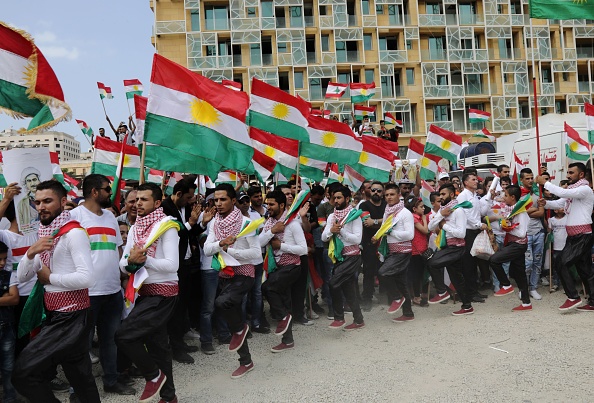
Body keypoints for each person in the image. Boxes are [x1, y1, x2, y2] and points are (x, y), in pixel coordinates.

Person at [14, 180, 100, 402]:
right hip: (54, 314)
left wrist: (50, 278)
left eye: (47, 201)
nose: (41, 206)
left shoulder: (73, 233)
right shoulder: (44, 233)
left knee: (24, 372)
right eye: (38, 202)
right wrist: (30, 253)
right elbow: (23, 276)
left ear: (62, 202)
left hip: (71, 316)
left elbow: (87, 278)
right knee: (80, 377)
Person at [70, 174, 135, 396]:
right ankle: (79, 389)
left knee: (110, 341)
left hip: (112, 291)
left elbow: (118, 249)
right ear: (94, 192)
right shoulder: (74, 217)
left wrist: (121, 275)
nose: (110, 192)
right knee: (81, 345)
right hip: (87, 292)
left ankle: (111, 381)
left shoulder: (110, 218)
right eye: (107, 189)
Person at [115, 183, 180, 403]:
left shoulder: (167, 226)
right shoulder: (135, 227)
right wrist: (132, 262)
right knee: (158, 346)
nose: (138, 204)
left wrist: (145, 260)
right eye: (135, 200)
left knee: (124, 335)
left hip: (163, 293)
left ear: (158, 203)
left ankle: (153, 376)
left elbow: (172, 265)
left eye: (144, 199)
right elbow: (124, 264)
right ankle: (169, 396)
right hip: (143, 292)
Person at [204, 184, 261, 379]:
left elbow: (255, 253)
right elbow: (206, 249)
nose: (218, 203)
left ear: (233, 200)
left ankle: (240, 328)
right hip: (225, 275)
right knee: (232, 313)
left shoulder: (246, 223)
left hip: (244, 274)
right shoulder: (215, 224)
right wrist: (220, 243)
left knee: (221, 303)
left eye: (223, 199)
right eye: (216, 200)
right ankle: (246, 361)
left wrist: (230, 250)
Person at [536, 163, 594, 311]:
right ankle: (593, 301)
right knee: (585, 270)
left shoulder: (584, 189)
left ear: (581, 175)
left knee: (561, 262)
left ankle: (573, 297)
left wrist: (546, 183)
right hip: (574, 236)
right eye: (567, 172)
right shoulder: (572, 190)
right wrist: (546, 203)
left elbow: (562, 194)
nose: (567, 175)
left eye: (571, 173)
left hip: (582, 235)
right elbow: (559, 202)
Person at [160, 177, 203, 364]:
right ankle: (175, 348)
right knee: (175, 309)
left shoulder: (183, 209)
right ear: (178, 194)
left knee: (183, 306)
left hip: (185, 264)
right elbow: (174, 234)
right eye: (188, 197)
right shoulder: (164, 209)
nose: (190, 201)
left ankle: (181, 342)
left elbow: (189, 233)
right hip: (171, 267)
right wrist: (191, 223)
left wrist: (200, 224)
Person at [260, 190, 307, 352]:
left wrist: (281, 246)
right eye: (267, 204)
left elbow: (303, 249)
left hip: (292, 266)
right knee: (284, 301)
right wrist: (272, 231)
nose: (268, 207)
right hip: (277, 267)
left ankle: (284, 318)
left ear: (281, 205)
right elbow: (259, 242)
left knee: (267, 288)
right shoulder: (269, 223)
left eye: (271, 204)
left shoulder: (293, 224)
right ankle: (287, 340)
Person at [322, 185, 365, 330]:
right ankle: (359, 320)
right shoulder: (332, 216)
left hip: (352, 257)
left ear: (347, 198)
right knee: (349, 290)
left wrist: (341, 232)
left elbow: (357, 239)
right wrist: (331, 231)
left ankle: (339, 317)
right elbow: (324, 237)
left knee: (333, 283)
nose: (336, 200)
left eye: (339, 197)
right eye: (334, 198)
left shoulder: (354, 215)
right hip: (339, 257)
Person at [427, 184, 474, 316]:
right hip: (447, 246)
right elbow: (430, 227)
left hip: (456, 248)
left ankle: (442, 292)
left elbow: (461, 234)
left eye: (443, 194)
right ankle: (467, 306)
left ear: (452, 195)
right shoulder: (443, 211)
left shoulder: (458, 211)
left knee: (432, 262)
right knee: (456, 278)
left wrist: (444, 225)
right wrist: (440, 215)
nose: (441, 197)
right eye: (440, 194)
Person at [374, 184, 415, 323]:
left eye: (392, 194)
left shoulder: (405, 213)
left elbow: (410, 235)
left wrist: (392, 232)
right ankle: (408, 313)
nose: (389, 197)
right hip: (392, 251)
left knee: (383, 272)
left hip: (402, 252)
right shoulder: (388, 211)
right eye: (387, 195)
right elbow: (384, 228)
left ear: (399, 195)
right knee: (401, 282)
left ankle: (397, 298)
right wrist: (377, 236)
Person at [489, 185, 532, 311]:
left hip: (518, 244)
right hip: (513, 244)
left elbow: (521, 233)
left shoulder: (521, 212)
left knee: (494, 260)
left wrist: (509, 228)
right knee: (520, 274)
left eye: (506, 195)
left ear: (513, 197)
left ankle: (506, 285)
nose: (504, 197)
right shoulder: (510, 210)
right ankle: (526, 302)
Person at [456, 173, 488, 302]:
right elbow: (466, 213)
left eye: (476, 179)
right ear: (465, 182)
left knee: (474, 262)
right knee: (468, 263)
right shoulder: (463, 196)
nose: (476, 181)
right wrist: (478, 224)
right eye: (473, 180)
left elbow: (480, 212)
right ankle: (469, 293)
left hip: (476, 231)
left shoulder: (475, 195)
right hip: (468, 232)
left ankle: (474, 290)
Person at [520, 168, 545, 300]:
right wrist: (528, 210)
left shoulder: (537, 194)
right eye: (527, 178)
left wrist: (527, 210)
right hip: (525, 233)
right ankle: (523, 288)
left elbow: (541, 213)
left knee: (537, 262)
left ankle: (533, 288)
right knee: (527, 263)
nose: (530, 181)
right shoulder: (518, 195)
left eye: (531, 178)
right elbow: (517, 212)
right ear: (521, 180)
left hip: (539, 232)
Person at [0, 240, 19, 403]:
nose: (3, 263)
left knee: (8, 366)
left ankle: (10, 397)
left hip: (6, 328)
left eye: (5, 259)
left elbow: (14, 298)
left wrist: (8, 297)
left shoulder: (9, 274)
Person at [406, 195, 429, 306]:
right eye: (421, 207)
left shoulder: (418, 217)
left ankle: (423, 294)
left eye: (423, 206)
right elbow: (425, 230)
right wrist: (424, 219)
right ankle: (416, 296)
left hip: (423, 249)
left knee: (423, 273)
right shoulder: (414, 218)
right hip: (415, 252)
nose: (423, 208)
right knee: (416, 275)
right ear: (414, 209)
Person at [547, 208, 566, 291]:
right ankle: (556, 283)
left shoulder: (568, 217)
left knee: (566, 266)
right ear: (555, 210)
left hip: (567, 245)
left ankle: (568, 284)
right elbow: (549, 231)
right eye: (561, 207)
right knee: (556, 265)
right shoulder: (551, 220)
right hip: (556, 246)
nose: (564, 208)